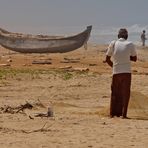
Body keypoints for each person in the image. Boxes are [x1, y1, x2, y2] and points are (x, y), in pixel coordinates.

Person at [104, 28, 137, 119]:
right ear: (126, 36)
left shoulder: (113, 43)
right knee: (125, 93)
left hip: (116, 72)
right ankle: (124, 115)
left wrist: (114, 66)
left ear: (118, 36)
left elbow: (107, 59)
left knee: (114, 92)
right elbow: (135, 59)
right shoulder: (130, 44)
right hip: (126, 72)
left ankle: (112, 113)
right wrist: (126, 57)